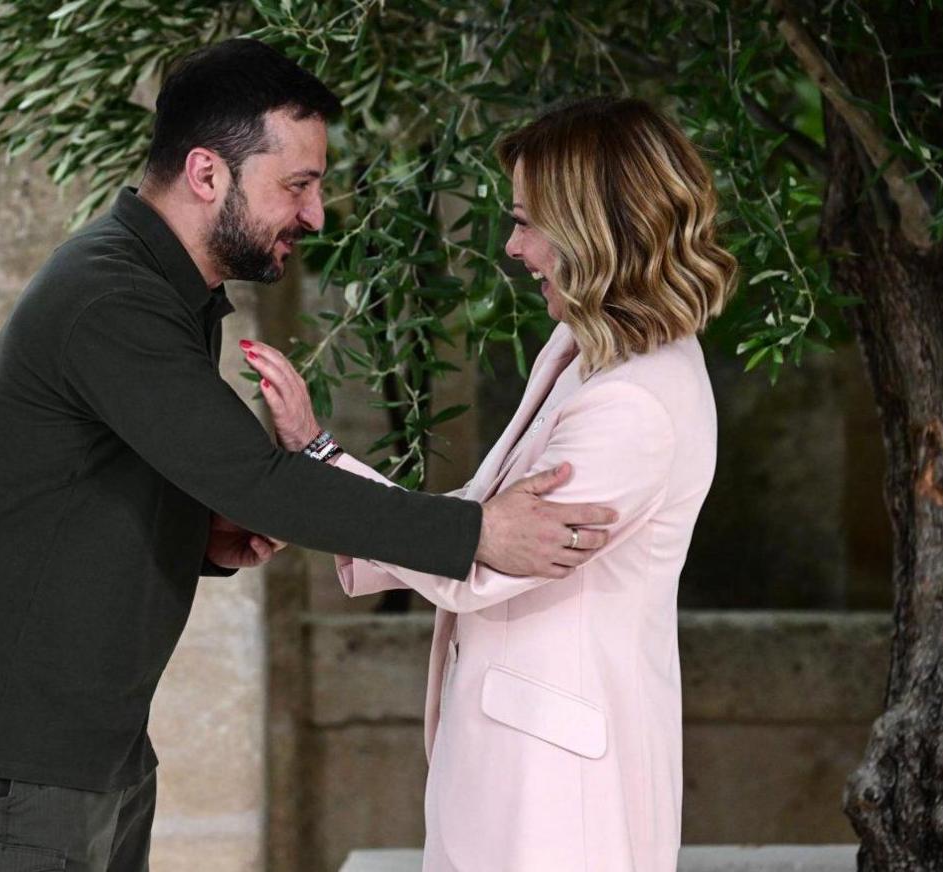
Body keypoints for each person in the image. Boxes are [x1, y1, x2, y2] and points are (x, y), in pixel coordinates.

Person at [0, 39, 618, 872]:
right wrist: (476, 532)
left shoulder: (161, 291)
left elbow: (94, 484)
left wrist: (197, 533)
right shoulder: (112, 298)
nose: (317, 214)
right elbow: (261, 480)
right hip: (6, 755)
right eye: (298, 185)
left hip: (85, 746)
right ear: (206, 174)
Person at [244, 97, 738, 871]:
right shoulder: (580, 349)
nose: (513, 247)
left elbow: (484, 558)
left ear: (593, 229)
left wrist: (319, 461)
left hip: (558, 793)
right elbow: (484, 513)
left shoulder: (635, 405)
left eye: (527, 222)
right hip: (513, 769)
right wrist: (324, 486)